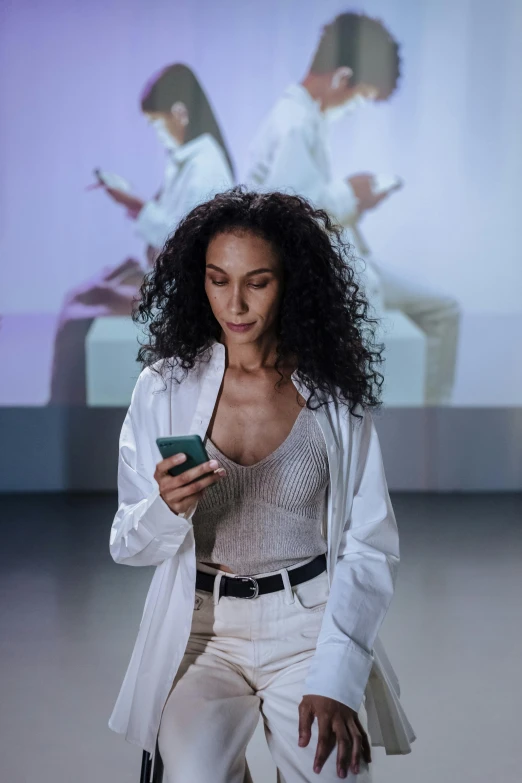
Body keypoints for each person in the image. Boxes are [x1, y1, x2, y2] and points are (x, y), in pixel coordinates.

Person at [108, 188, 416, 782]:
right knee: (193, 774)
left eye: (258, 281)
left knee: (335, 772)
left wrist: (336, 675)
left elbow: (370, 543)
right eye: (218, 279)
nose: (236, 303)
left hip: (309, 625)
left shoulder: (333, 396)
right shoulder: (163, 388)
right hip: (203, 633)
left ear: (290, 284)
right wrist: (168, 510)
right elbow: (128, 544)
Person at [246, 11, 461, 405]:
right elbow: (290, 215)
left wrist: (354, 200)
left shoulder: (305, 119)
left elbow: (305, 202)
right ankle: (430, 424)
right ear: (343, 78)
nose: (356, 107)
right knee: (439, 315)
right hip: (313, 280)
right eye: (361, 97)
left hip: (334, 265)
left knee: (441, 311)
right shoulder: (295, 122)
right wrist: (349, 193)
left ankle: (430, 420)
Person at [48, 63, 234, 404]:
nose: (156, 132)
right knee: (89, 293)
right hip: (169, 281)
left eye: (155, 122)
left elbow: (188, 245)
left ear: (179, 113)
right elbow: (176, 228)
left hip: (181, 296)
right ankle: (62, 412)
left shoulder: (205, 167)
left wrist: (135, 204)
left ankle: (62, 414)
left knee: (79, 305)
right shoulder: (189, 160)